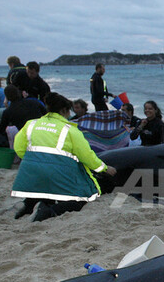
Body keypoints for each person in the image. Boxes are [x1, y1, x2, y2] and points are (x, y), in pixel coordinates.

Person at [11, 92, 116, 221]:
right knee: (80, 199)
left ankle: (28, 204)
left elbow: (18, 148)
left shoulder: (31, 124)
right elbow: (87, 156)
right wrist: (104, 168)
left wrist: (35, 159)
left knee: (45, 186)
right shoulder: (70, 130)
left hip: (29, 173)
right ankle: (49, 212)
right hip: (55, 173)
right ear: (63, 111)